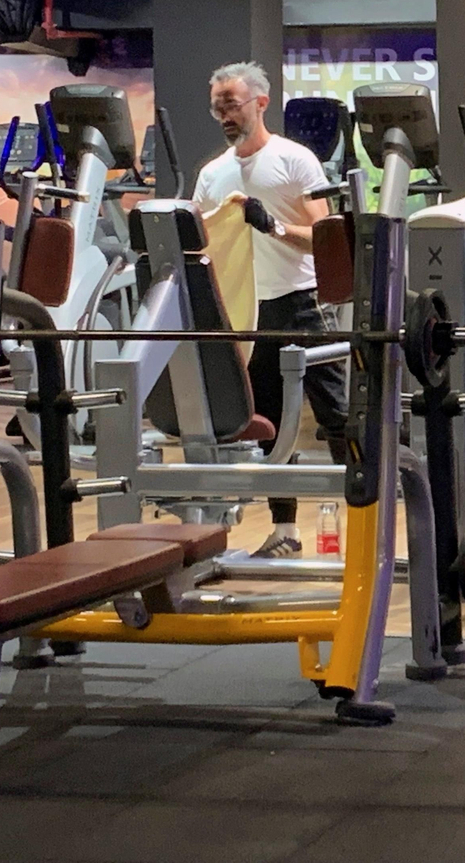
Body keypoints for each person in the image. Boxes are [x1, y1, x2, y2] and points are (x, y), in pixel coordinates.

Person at [192, 61, 347, 558]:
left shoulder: (295, 160)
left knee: (340, 417)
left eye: (231, 104)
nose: (224, 116)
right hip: (248, 315)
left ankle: (368, 520)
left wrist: (273, 228)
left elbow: (323, 239)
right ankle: (285, 530)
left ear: (260, 103)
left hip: (301, 306)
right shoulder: (212, 175)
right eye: (218, 107)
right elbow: (199, 238)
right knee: (267, 426)